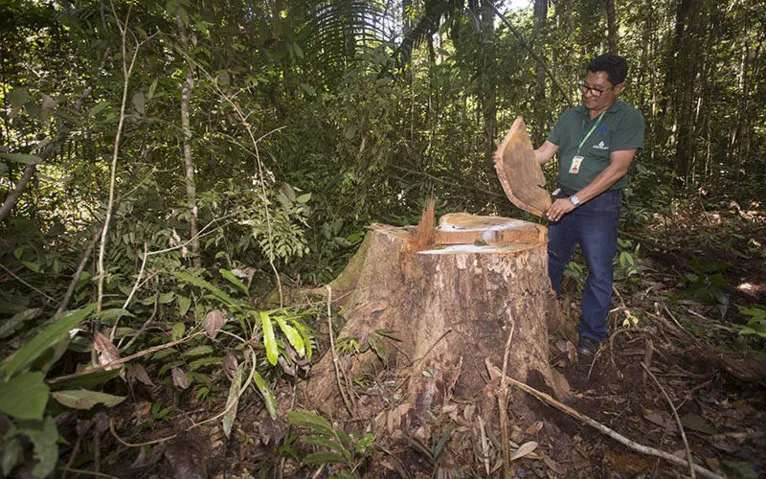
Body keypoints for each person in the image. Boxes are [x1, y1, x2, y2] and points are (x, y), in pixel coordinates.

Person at [498, 53, 644, 357]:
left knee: (599, 271)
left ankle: (590, 336)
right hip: (561, 200)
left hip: (598, 207)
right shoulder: (570, 117)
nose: (589, 94)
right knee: (549, 261)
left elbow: (617, 168)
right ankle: (540, 322)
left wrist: (574, 201)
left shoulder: (628, 119)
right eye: (585, 86)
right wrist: (509, 155)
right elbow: (542, 154)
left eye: (597, 89)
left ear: (618, 88)